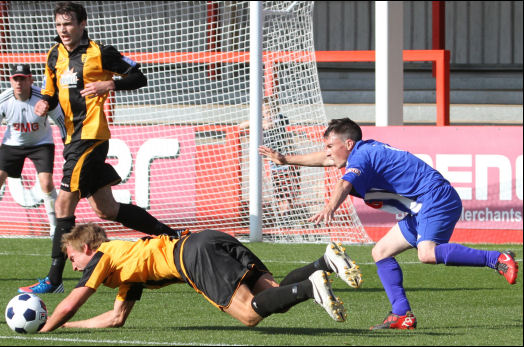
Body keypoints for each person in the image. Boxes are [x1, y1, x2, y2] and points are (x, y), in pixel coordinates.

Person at [259, 117, 519, 330]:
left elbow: (344, 183)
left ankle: (497, 259)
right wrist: (285, 159)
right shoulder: (358, 152)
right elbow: (327, 160)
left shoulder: (360, 156)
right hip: (420, 205)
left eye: (330, 145)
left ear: (348, 143)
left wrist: (330, 206)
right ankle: (401, 313)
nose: (326, 152)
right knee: (380, 252)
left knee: (426, 253)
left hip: (434, 198)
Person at [19, 2, 179, 294]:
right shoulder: (54, 54)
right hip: (71, 137)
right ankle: (171, 237)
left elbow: (138, 76)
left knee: (62, 204)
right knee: (106, 208)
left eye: (68, 24)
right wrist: (44, 103)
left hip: (91, 137)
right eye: (58, 25)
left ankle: (54, 280)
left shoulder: (100, 51)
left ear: (82, 24)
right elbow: (52, 94)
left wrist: (110, 84)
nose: (63, 30)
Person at [39, 223, 362, 332]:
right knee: (273, 292)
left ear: (85, 247)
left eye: (71, 259)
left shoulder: (102, 257)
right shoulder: (124, 263)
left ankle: (310, 287)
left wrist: (48, 324)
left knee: (250, 313)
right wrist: (69, 326)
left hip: (192, 257)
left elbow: (69, 303)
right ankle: (325, 262)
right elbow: (115, 318)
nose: (74, 267)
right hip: (208, 238)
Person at [0, 64, 67, 243]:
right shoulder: (2, 100)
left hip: (41, 143)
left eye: (23, 78)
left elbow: (61, 122)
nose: (19, 83)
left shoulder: (44, 99)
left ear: (30, 79)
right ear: (11, 80)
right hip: (12, 143)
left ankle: (54, 230)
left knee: (46, 183)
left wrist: (68, 149)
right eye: (16, 79)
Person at [240, 96, 300, 219]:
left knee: (288, 188)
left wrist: (271, 124)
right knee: (278, 188)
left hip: (285, 157)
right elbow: (241, 126)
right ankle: (282, 213)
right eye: (266, 112)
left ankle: (287, 212)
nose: (269, 115)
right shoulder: (260, 120)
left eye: (271, 111)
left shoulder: (282, 119)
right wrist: (259, 122)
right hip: (273, 161)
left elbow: (282, 129)